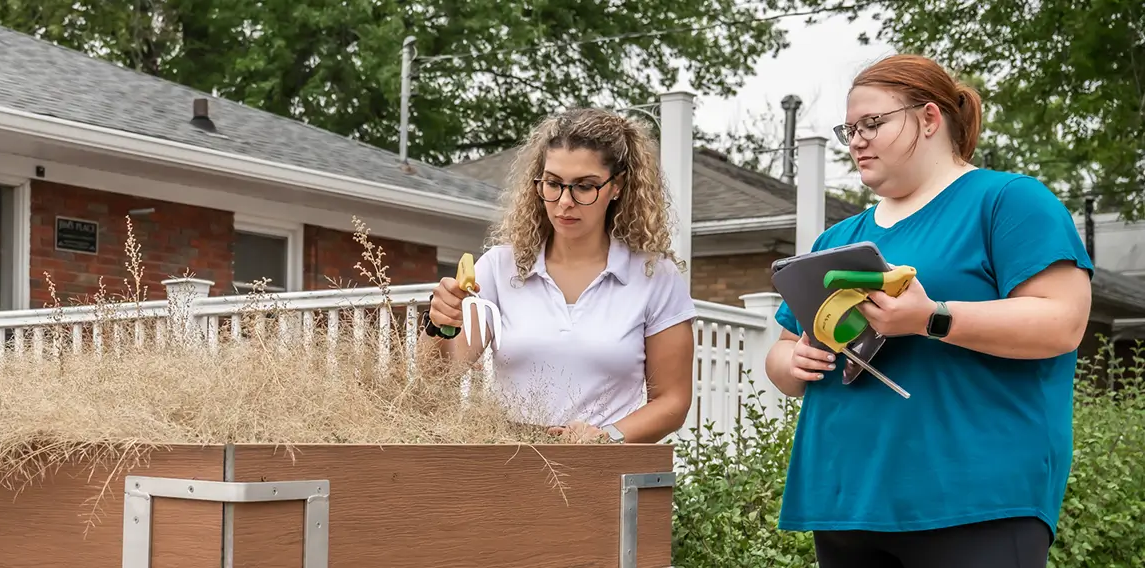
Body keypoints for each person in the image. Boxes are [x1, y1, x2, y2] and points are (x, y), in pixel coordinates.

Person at [763, 53, 1093, 567]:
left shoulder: (1009, 201)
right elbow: (783, 355)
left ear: (930, 118)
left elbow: (1062, 322)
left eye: (872, 122)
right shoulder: (837, 238)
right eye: (848, 128)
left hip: (975, 500)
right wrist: (792, 363)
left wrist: (930, 317)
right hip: (848, 501)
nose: (855, 139)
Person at [421, 107, 698, 444]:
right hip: (509, 466)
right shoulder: (498, 267)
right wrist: (439, 324)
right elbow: (439, 376)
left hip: (602, 475)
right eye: (553, 183)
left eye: (585, 186)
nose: (565, 202)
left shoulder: (655, 277)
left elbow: (673, 402)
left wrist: (604, 437)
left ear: (618, 187)